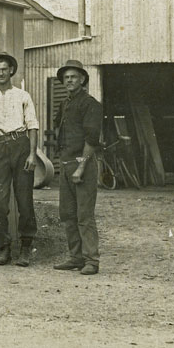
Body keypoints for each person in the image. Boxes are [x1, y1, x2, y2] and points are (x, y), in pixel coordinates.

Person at [0, 52, 39, 267]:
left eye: (4, 69)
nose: (1, 73)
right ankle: (3, 249)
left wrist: (32, 154)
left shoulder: (23, 96)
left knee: (25, 201)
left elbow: (32, 126)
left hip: (20, 145)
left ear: (11, 70)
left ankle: (25, 249)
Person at [52, 59, 103, 276]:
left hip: (82, 165)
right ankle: (76, 257)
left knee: (84, 215)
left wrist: (81, 168)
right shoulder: (65, 104)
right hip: (66, 165)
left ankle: (92, 260)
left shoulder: (90, 104)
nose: (69, 80)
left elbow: (92, 139)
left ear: (82, 79)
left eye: (73, 77)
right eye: (66, 77)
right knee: (67, 214)